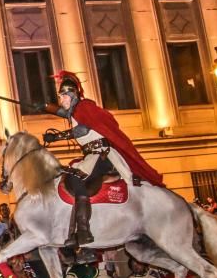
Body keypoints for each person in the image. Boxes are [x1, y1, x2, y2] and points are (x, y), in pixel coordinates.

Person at [39, 71, 164, 246]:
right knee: (73, 173)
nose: (61, 101)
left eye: (63, 97)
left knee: (76, 180)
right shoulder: (76, 110)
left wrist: (57, 137)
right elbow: (63, 112)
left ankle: (83, 231)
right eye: (60, 98)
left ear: (72, 95)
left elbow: (81, 129)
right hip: (93, 156)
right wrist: (44, 106)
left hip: (102, 155)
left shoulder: (84, 108)